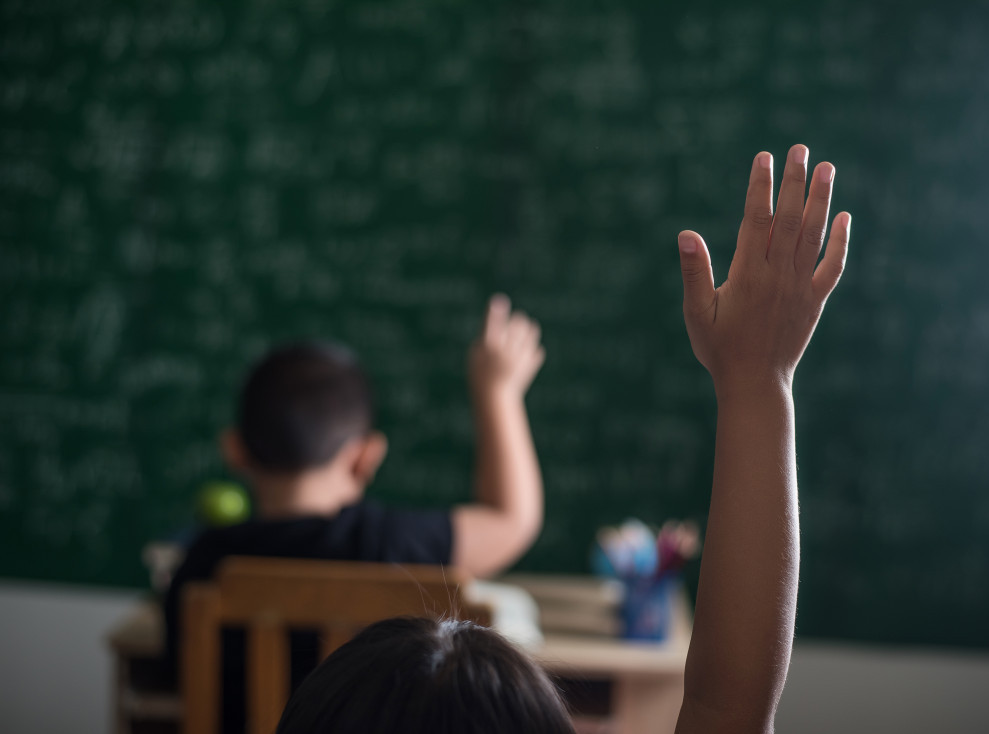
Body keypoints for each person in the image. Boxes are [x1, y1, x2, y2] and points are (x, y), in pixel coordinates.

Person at [271, 143, 851, 734]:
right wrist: (759, 379)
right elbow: (726, 709)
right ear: (366, 454)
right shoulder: (380, 541)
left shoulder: (199, 562)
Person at [162, 294, 547, 733]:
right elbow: (511, 520)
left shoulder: (201, 566)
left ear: (234, 450)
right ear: (365, 458)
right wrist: (497, 392)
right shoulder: (389, 545)